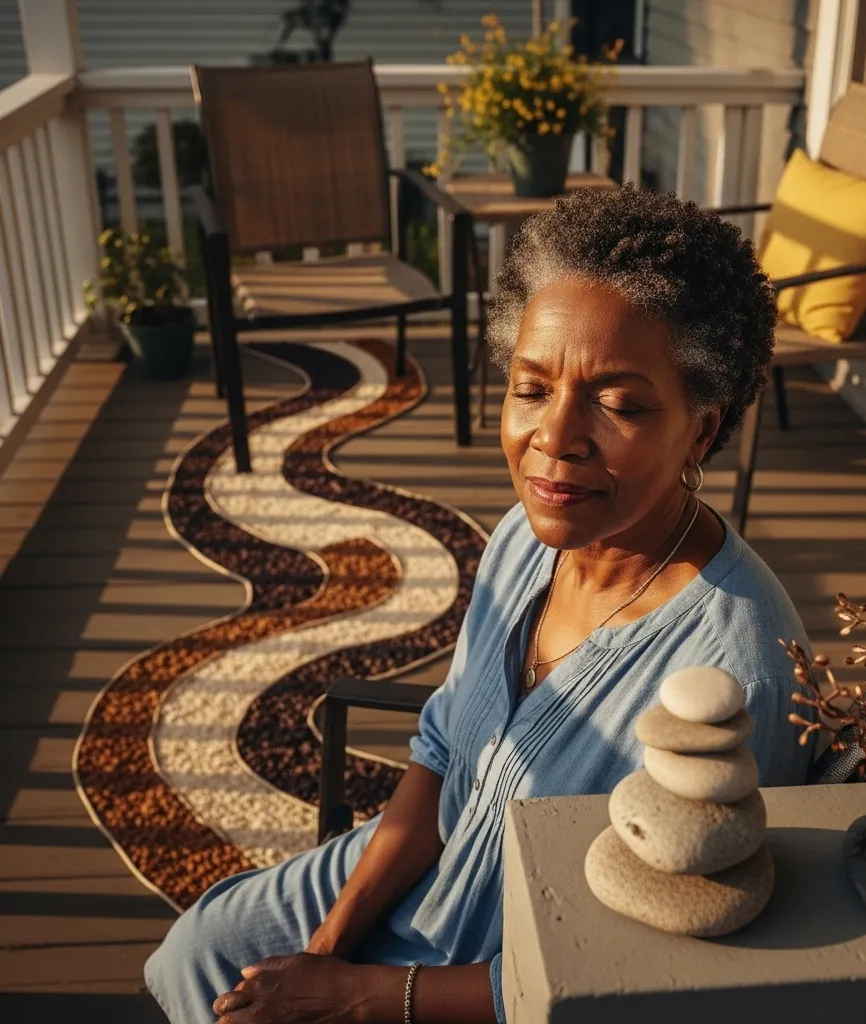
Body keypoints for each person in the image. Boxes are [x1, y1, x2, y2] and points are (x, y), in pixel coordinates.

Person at [145, 184, 814, 1024]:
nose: (555, 437)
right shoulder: (523, 538)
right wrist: (328, 946)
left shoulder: (739, 671)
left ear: (703, 430)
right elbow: (439, 750)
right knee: (198, 951)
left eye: (619, 404)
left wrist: (359, 995)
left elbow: (663, 962)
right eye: (531, 388)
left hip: (527, 969)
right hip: (429, 868)